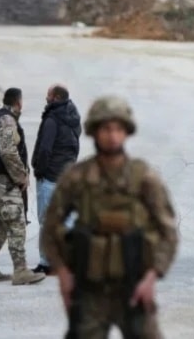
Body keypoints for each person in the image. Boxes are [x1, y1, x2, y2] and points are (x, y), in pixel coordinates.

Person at [40, 95, 179, 339]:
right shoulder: (77, 177)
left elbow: (168, 231)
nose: (112, 135)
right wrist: (63, 274)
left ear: (126, 132)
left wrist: (152, 276)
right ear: (94, 131)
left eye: (118, 128)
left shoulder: (144, 177)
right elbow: (51, 228)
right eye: (106, 128)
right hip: (89, 291)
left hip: (133, 288)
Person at [0, 87, 45, 286]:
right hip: (4, 183)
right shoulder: (7, 120)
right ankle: (20, 270)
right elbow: (7, 151)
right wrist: (20, 176)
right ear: (19, 102)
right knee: (16, 223)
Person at [31, 83, 82, 275]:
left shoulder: (52, 120)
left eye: (48, 95)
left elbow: (45, 149)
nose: (46, 98)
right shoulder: (73, 117)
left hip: (50, 177)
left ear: (55, 98)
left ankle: (46, 263)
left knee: (46, 220)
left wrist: (39, 170)